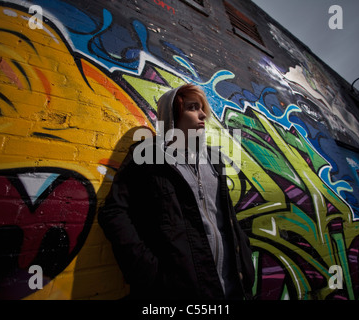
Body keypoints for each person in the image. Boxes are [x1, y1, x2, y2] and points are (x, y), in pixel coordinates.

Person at [98, 84, 254, 300]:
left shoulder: (213, 159)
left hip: (232, 287)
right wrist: (149, 272)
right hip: (180, 290)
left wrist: (244, 255)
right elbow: (114, 212)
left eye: (202, 109)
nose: (202, 114)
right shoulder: (146, 157)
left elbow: (225, 216)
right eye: (192, 107)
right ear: (172, 115)